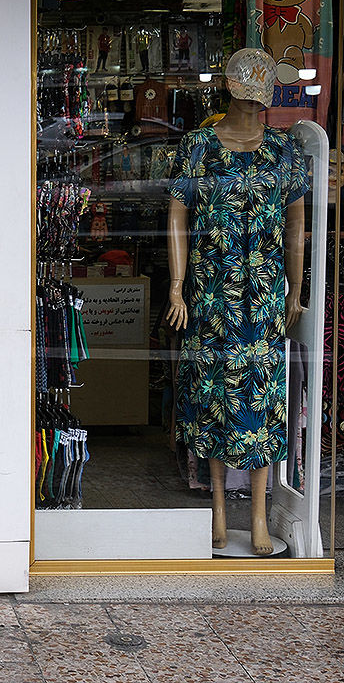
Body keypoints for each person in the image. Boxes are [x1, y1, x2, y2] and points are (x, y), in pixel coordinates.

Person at [165, 49, 306, 556]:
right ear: (229, 88)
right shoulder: (198, 146)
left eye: (259, 98)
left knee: (264, 404)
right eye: (245, 95)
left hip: (264, 297)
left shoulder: (284, 151)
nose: (252, 106)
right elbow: (178, 217)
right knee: (215, 403)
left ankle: (261, 516)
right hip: (212, 295)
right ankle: (220, 510)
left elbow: (296, 227)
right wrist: (178, 286)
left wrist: (295, 288)